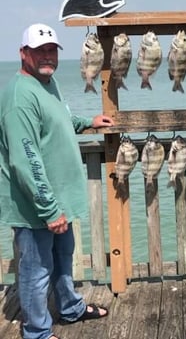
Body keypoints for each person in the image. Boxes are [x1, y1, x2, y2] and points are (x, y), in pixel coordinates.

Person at [0, 23, 114, 339]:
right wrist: (49, 210)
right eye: (40, 51)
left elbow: (56, 120)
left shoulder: (46, 83)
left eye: (52, 50)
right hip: (36, 206)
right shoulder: (19, 97)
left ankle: (70, 308)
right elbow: (25, 162)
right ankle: (36, 331)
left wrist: (84, 122)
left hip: (57, 200)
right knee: (36, 271)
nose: (47, 56)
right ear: (24, 54)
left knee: (63, 259)